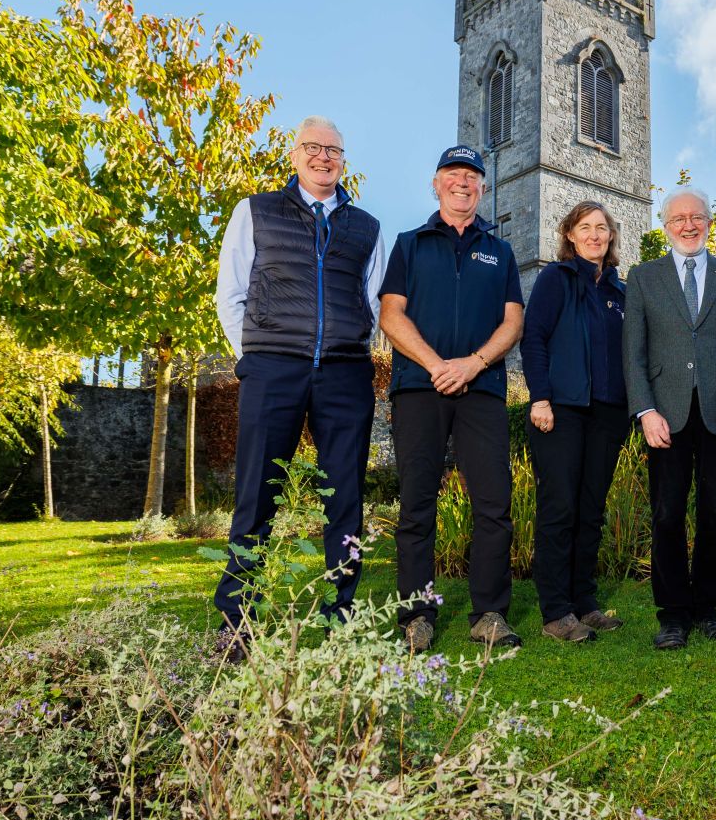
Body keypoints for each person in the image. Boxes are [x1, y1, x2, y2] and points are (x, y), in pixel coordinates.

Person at [212, 116, 386, 656]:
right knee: (256, 495)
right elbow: (230, 293)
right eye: (313, 147)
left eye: (333, 150)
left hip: (344, 373)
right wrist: (253, 359)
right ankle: (238, 620)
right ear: (295, 155)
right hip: (273, 369)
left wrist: (349, 344)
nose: (323, 157)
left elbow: (375, 302)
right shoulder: (256, 211)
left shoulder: (366, 226)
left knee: (346, 498)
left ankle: (343, 614)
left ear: (343, 160)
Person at [379, 146, 524, 652]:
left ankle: (489, 614)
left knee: (493, 504)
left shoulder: (499, 251)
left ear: (482, 188)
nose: (463, 183)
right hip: (420, 387)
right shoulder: (409, 244)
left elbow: (513, 322)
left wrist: (472, 364)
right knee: (417, 504)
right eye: (453, 175)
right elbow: (391, 315)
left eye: (472, 177)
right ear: (436, 185)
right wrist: (437, 364)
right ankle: (416, 617)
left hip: (481, 390)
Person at [623, 188, 716, 650]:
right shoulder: (643, 278)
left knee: (715, 514)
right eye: (678, 218)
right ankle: (673, 614)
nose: (688, 225)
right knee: (666, 514)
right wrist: (645, 410)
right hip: (665, 415)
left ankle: (707, 608)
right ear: (666, 226)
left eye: (696, 217)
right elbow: (633, 353)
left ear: (709, 222)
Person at [521, 201, 631, 644]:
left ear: (611, 237)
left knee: (591, 511)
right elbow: (534, 339)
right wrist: (541, 397)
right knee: (560, 508)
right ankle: (556, 611)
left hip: (607, 414)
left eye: (601, 228)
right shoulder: (555, 278)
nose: (594, 235)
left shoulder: (620, 294)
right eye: (585, 227)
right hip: (561, 410)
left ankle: (585, 602)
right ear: (569, 234)